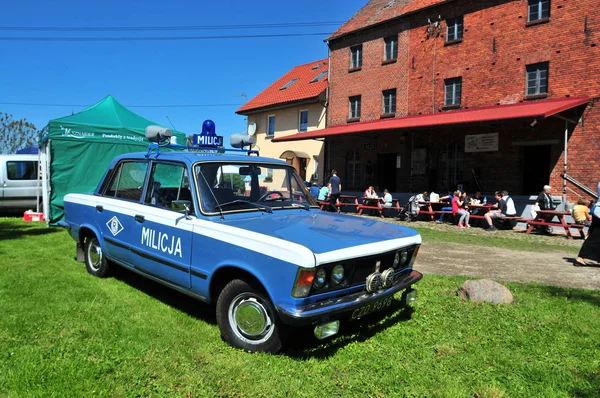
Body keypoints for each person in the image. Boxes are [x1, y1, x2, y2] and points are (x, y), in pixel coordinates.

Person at [575, 182, 600, 266]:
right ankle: (581, 258)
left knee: (595, 235)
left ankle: (582, 258)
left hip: (597, 211)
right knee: (595, 236)